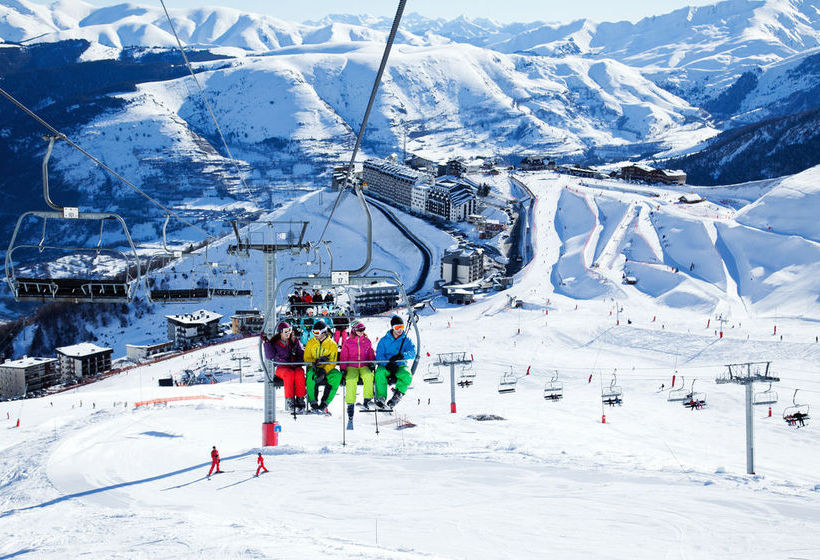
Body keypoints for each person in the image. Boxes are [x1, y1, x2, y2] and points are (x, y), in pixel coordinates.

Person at [261, 321, 306, 412]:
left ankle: (300, 398)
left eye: (289, 330)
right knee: (289, 374)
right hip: (281, 368)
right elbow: (270, 356)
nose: (288, 333)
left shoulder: (294, 341)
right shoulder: (275, 343)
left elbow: (301, 354)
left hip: (294, 366)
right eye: (285, 331)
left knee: (300, 372)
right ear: (280, 332)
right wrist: (266, 342)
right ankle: (290, 400)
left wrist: (297, 362)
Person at [374, 315, 416, 409]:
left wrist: (402, 356)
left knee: (407, 375)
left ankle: (397, 396)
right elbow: (379, 355)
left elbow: (413, 352)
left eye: (401, 327)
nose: (399, 330)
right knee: (379, 373)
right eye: (397, 327)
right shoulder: (384, 341)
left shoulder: (406, 340)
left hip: (400, 365)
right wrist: (387, 364)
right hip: (386, 366)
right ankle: (381, 397)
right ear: (392, 327)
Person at [339, 319, 376, 425]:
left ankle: (367, 400)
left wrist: (372, 363)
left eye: (363, 329)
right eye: (359, 330)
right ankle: (350, 404)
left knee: (369, 376)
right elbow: (344, 357)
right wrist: (343, 369)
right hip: (352, 366)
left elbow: (370, 354)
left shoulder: (367, 341)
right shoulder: (348, 342)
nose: (361, 331)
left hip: (364, 365)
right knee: (351, 379)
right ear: (354, 330)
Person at [303, 319, 342, 414]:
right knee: (311, 376)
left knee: (337, 375)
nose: (315, 335)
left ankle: (325, 403)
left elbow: (333, 361)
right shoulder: (311, 342)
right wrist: (315, 363)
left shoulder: (332, 344)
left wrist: (324, 371)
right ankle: (313, 403)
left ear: (324, 332)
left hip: (327, 369)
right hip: (314, 368)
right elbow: (307, 358)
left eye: (317, 332)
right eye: (313, 332)